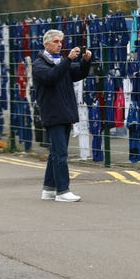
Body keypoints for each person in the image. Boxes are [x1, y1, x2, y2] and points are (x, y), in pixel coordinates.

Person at [32, 29, 92, 202]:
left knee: (55, 153)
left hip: (65, 113)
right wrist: (68, 59)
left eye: (61, 42)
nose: (60, 44)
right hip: (53, 113)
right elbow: (52, 77)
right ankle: (62, 190)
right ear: (46, 43)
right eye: (56, 41)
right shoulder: (39, 64)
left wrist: (86, 61)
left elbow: (79, 73)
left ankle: (49, 189)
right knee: (60, 154)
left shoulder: (61, 62)